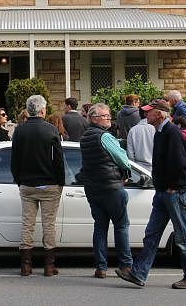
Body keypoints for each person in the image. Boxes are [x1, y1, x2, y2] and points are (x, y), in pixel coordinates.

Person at [116, 99, 186, 289]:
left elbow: (181, 163)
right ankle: (139, 273)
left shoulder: (171, 133)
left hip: (173, 192)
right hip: (164, 192)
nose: (145, 114)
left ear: (160, 114)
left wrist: (172, 186)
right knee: (152, 234)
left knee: (182, 236)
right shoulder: (160, 132)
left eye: (149, 112)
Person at [10, 95, 64, 277]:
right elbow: (58, 160)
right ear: (42, 110)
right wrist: (60, 181)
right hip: (49, 183)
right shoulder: (51, 130)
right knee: (49, 224)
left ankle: (26, 265)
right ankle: (49, 266)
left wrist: (19, 179)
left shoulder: (19, 131)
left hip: (27, 183)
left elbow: (14, 159)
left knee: (27, 224)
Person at [79, 103, 132, 279]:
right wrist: (126, 171)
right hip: (112, 188)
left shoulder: (85, 137)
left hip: (93, 189)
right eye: (105, 116)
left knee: (100, 228)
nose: (109, 118)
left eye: (109, 115)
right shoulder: (105, 137)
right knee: (121, 225)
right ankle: (125, 265)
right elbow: (123, 159)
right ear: (94, 118)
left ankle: (101, 267)